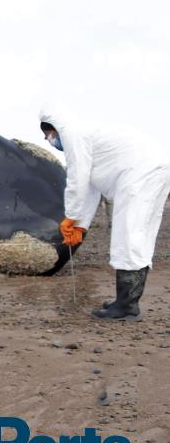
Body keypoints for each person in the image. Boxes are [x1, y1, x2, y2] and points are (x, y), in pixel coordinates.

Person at [39, 108, 170, 321]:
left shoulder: (73, 135)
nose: (48, 141)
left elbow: (77, 180)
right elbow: (91, 189)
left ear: (54, 129)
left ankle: (127, 308)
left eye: (48, 136)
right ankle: (127, 301)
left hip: (139, 174)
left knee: (128, 237)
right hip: (154, 170)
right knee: (140, 235)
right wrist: (80, 224)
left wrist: (71, 216)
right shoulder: (88, 135)